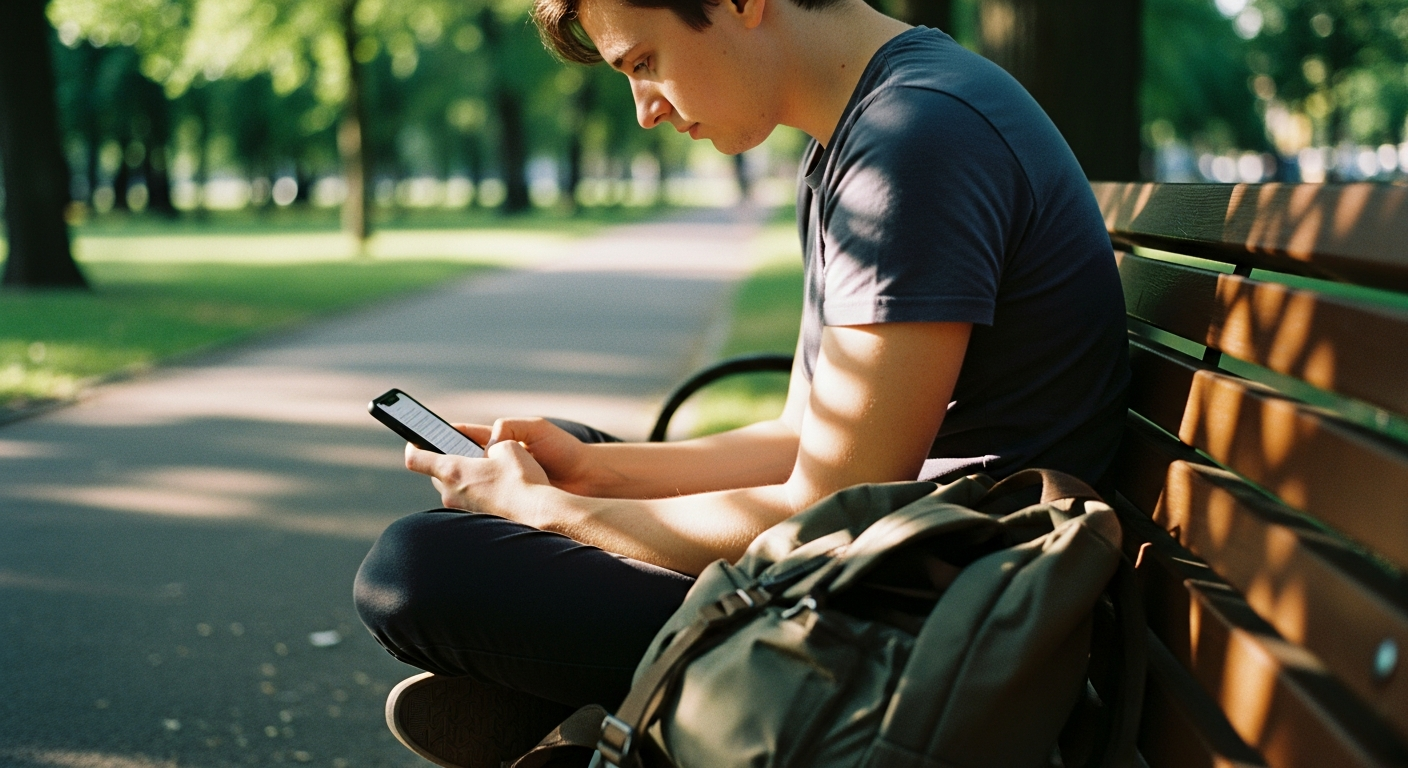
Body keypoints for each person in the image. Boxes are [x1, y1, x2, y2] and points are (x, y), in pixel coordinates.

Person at [354, 0, 1129, 761]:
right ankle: (614, 711)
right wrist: (588, 473)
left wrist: (551, 512)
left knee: (414, 570)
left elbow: (824, 510)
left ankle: (598, 715)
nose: (645, 111)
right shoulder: (860, 138)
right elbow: (799, 437)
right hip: (900, 562)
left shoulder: (916, 138)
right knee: (574, 458)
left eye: (644, 62)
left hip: (920, 620)